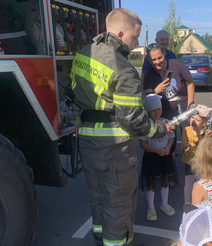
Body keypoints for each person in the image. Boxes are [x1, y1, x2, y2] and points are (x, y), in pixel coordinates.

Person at [71, 8, 173, 246]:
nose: (137, 42)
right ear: (119, 33)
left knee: (97, 197)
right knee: (118, 203)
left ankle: (99, 237)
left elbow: (73, 94)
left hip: (87, 142)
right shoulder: (124, 68)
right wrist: (161, 129)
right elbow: (133, 120)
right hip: (115, 150)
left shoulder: (82, 55)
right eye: (135, 36)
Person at [143, 43, 194, 153]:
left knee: (190, 139)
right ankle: (170, 165)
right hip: (164, 112)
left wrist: (190, 105)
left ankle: (191, 166)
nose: (158, 62)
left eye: (160, 57)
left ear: (164, 54)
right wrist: (157, 90)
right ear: (149, 60)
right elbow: (146, 97)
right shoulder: (149, 75)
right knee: (169, 142)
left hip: (183, 107)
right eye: (154, 59)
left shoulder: (176, 65)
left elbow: (190, 83)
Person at [139, 94, 177, 221]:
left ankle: (164, 204)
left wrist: (167, 148)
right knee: (151, 182)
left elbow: (171, 138)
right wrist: (157, 150)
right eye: (153, 110)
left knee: (165, 180)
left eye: (159, 109)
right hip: (152, 157)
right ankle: (151, 207)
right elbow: (142, 144)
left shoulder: (166, 122)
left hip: (164, 156)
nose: (157, 112)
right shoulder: (146, 126)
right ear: (147, 111)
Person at [181, 105, 212, 203]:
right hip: (189, 163)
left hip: (202, 164)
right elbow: (182, 146)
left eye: (197, 120)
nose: (193, 121)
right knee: (188, 186)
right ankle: (188, 205)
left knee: (202, 185)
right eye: (192, 118)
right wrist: (184, 148)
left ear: (204, 123)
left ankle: (200, 204)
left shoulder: (207, 133)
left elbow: (206, 150)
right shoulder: (186, 130)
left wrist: (205, 138)